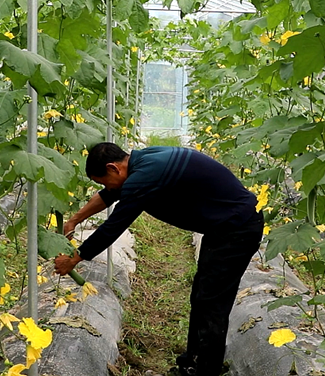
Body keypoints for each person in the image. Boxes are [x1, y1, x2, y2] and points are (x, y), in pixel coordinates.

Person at [54, 142, 264, 376]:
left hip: (238, 228)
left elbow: (113, 227)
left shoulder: (143, 178)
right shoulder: (143, 160)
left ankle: (205, 370)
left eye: (103, 180)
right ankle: (193, 363)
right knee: (202, 296)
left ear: (113, 168)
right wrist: (75, 220)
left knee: (212, 302)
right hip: (224, 227)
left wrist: (73, 259)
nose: (106, 187)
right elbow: (108, 195)